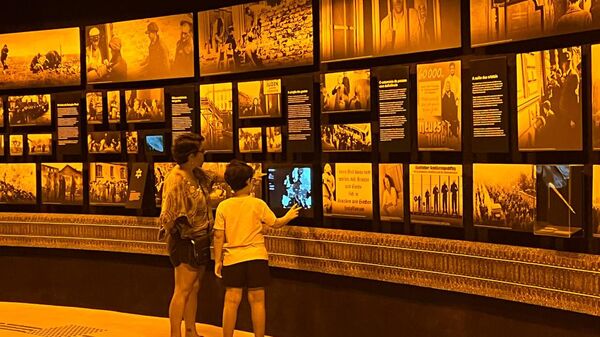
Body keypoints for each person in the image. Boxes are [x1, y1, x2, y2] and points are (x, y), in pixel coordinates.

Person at [213, 160, 300, 337]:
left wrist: (217, 260)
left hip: (233, 258)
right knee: (258, 302)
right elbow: (275, 223)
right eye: (251, 179)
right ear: (248, 182)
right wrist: (289, 216)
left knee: (231, 301)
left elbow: (218, 236)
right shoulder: (257, 204)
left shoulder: (223, 206)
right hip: (256, 258)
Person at [159, 133, 216, 337]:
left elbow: (216, 177)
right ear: (192, 155)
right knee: (182, 290)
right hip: (185, 241)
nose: (204, 155)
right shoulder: (176, 180)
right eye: (202, 152)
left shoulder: (195, 173)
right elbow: (167, 216)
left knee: (194, 287)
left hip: (199, 239)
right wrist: (181, 232)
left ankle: (191, 330)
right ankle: (176, 334)